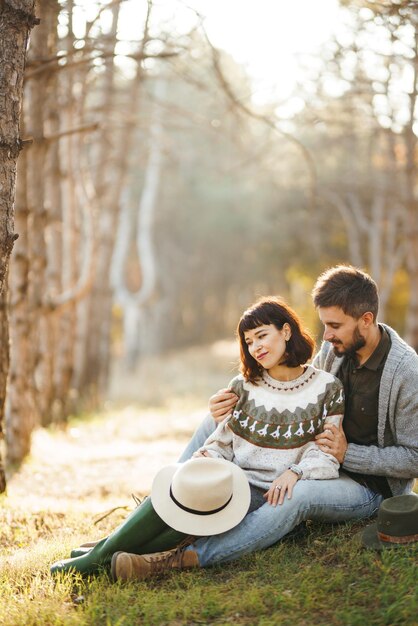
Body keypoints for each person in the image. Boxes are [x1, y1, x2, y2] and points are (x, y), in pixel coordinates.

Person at [111, 265, 417, 578]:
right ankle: (172, 503)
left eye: (335, 326)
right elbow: (304, 394)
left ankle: (180, 559)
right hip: (318, 460)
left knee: (297, 496)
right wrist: (235, 407)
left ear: (366, 320)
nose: (326, 335)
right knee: (214, 422)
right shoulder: (335, 348)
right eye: (325, 325)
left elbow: (414, 458)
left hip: (367, 486)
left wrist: (347, 454)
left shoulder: (406, 372)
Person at [51, 296, 344, 579]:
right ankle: (101, 555)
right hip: (231, 481)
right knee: (178, 493)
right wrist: (206, 457)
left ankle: (97, 556)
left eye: (261, 336)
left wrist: (295, 472)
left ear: (286, 331)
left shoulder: (327, 388)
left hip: (265, 496)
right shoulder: (244, 386)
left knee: (188, 517)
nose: (255, 347)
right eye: (249, 341)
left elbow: (327, 456)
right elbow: (223, 441)